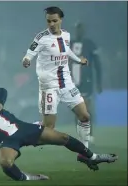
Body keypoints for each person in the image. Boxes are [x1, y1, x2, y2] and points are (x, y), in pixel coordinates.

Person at [0, 86, 117, 182]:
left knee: (63, 137)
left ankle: (91, 157)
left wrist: (1, 102)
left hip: (22, 128)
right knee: (5, 162)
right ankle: (28, 178)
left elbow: (3, 90)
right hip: (6, 142)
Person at [21, 6, 93, 164]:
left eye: (54, 21)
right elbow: (30, 52)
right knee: (49, 129)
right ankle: (22, 133)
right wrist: (26, 59)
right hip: (49, 87)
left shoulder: (66, 35)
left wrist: (78, 59)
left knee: (85, 116)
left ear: (61, 20)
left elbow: (66, 50)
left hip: (66, 83)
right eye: (48, 21)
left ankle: (84, 152)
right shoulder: (41, 37)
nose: (51, 24)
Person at [70, 22, 102, 137]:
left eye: (81, 29)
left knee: (86, 108)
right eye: (77, 29)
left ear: (84, 31)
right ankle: (81, 135)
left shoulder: (89, 44)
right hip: (73, 83)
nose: (79, 31)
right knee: (76, 110)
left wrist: (99, 82)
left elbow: (97, 64)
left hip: (86, 81)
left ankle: (90, 135)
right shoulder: (70, 44)